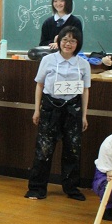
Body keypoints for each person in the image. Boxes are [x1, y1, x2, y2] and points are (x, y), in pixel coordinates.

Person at [25, 26, 90, 201]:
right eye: (65, 40)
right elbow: (39, 85)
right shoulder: (48, 60)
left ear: (78, 43)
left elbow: (85, 90)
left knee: (72, 150)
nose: (68, 44)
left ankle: (71, 188)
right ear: (59, 41)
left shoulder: (83, 64)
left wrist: (84, 115)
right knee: (44, 149)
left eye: (73, 41)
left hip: (73, 109)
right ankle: (37, 188)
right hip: (50, 107)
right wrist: (37, 110)